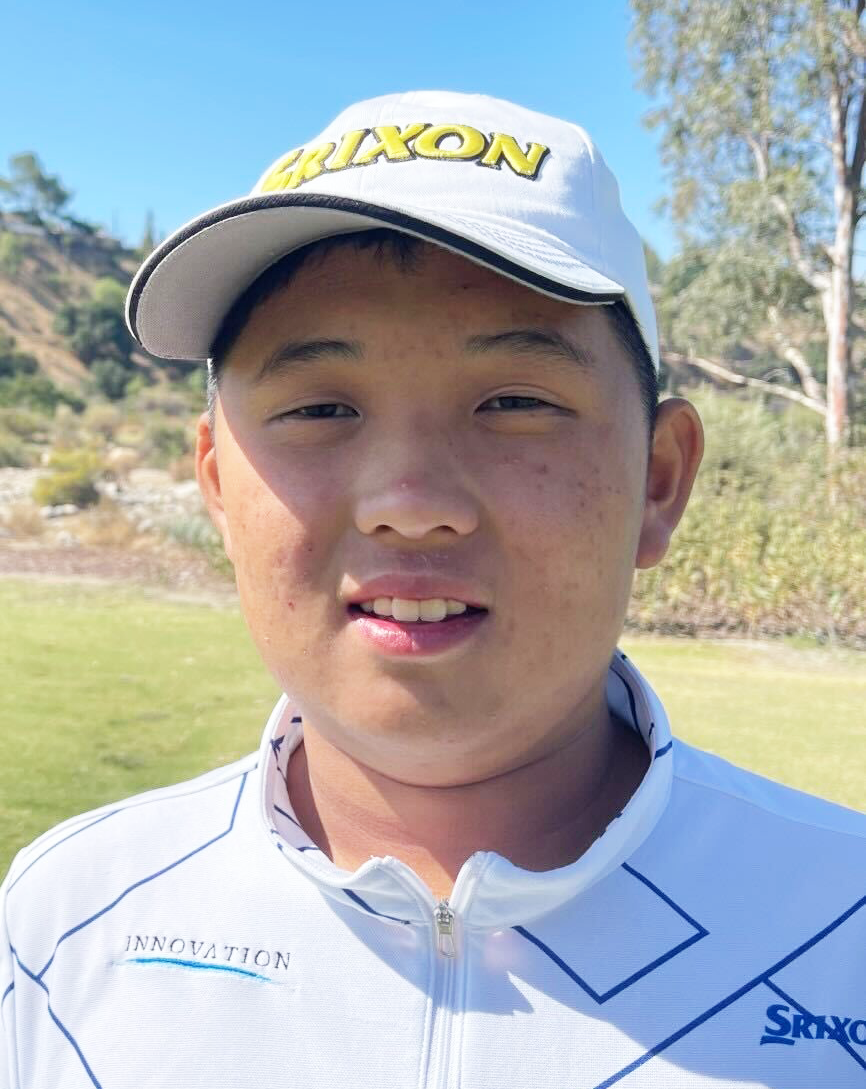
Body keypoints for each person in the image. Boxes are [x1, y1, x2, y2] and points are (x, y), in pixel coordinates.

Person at [2, 90, 865, 1089]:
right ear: (218, 486)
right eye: (320, 408)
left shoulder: (839, 921)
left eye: (514, 401)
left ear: (659, 481)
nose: (409, 507)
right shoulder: (65, 928)